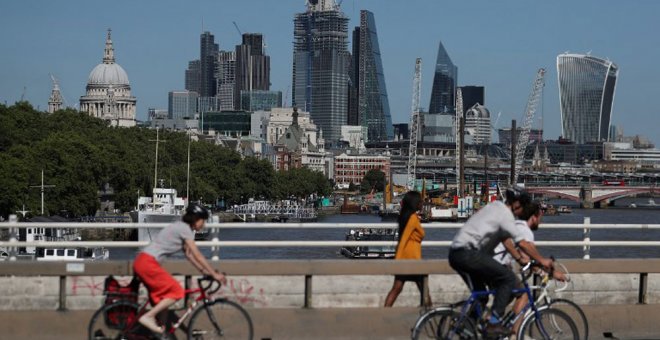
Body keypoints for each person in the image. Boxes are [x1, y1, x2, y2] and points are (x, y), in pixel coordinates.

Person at [448, 186, 556, 338]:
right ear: (517, 204)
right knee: (508, 279)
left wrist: (519, 258)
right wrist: (542, 260)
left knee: (483, 296)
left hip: (456, 253)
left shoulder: (495, 207)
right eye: (522, 208)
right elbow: (523, 243)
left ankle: (467, 329)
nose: (521, 212)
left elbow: (505, 240)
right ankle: (493, 323)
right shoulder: (506, 216)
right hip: (468, 254)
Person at [133, 203, 227, 335]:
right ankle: (148, 317)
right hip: (148, 264)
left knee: (164, 298)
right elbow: (197, 255)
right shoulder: (185, 229)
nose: (204, 225)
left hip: (144, 262)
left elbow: (189, 255)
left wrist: (204, 272)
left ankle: (162, 332)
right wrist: (214, 274)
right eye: (203, 220)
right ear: (195, 218)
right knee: (177, 291)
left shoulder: (180, 227)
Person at [493, 200, 567, 336]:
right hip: (496, 266)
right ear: (533, 217)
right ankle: (512, 335)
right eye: (540, 218)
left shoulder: (516, 225)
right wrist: (552, 272)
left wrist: (540, 270)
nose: (540, 221)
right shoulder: (525, 231)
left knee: (507, 298)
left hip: (493, 264)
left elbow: (526, 260)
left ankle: (492, 323)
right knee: (523, 295)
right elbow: (531, 256)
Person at [384, 191, 431, 307]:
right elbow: (404, 239)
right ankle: (429, 317)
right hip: (413, 261)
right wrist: (397, 261)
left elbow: (403, 239)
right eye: (420, 201)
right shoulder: (413, 219)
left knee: (397, 289)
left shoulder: (405, 217)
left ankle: (383, 313)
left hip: (405, 259)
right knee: (425, 292)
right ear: (416, 203)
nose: (422, 203)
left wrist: (399, 260)